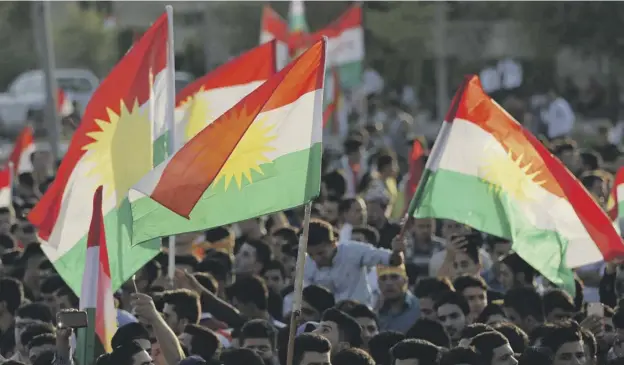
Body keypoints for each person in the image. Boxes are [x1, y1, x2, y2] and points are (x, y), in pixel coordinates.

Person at [303, 219, 404, 307]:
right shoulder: (306, 264)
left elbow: (392, 260)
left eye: (321, 253)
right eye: (311, 254)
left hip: (360, 315)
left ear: (333, 244)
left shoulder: (353, 251)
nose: (317, 259)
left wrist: (397, 251)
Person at [376, 264, 419, 333]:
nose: (388, 283)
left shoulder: (420, 310)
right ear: (378, 283)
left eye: (394, 277)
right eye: (383, 278)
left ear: (405, 280)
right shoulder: (374, 310)